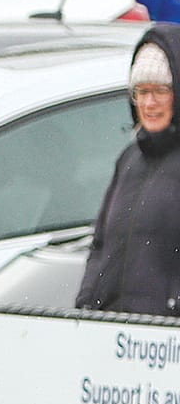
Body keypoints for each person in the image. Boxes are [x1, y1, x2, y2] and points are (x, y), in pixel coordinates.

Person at [77, 27, 180, 318]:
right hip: (112, 333)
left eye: (161, 90)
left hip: (163, 343)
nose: (149, 103)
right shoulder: (129, 160)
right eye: (141, 92)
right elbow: (100, 243)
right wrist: (88, 297)